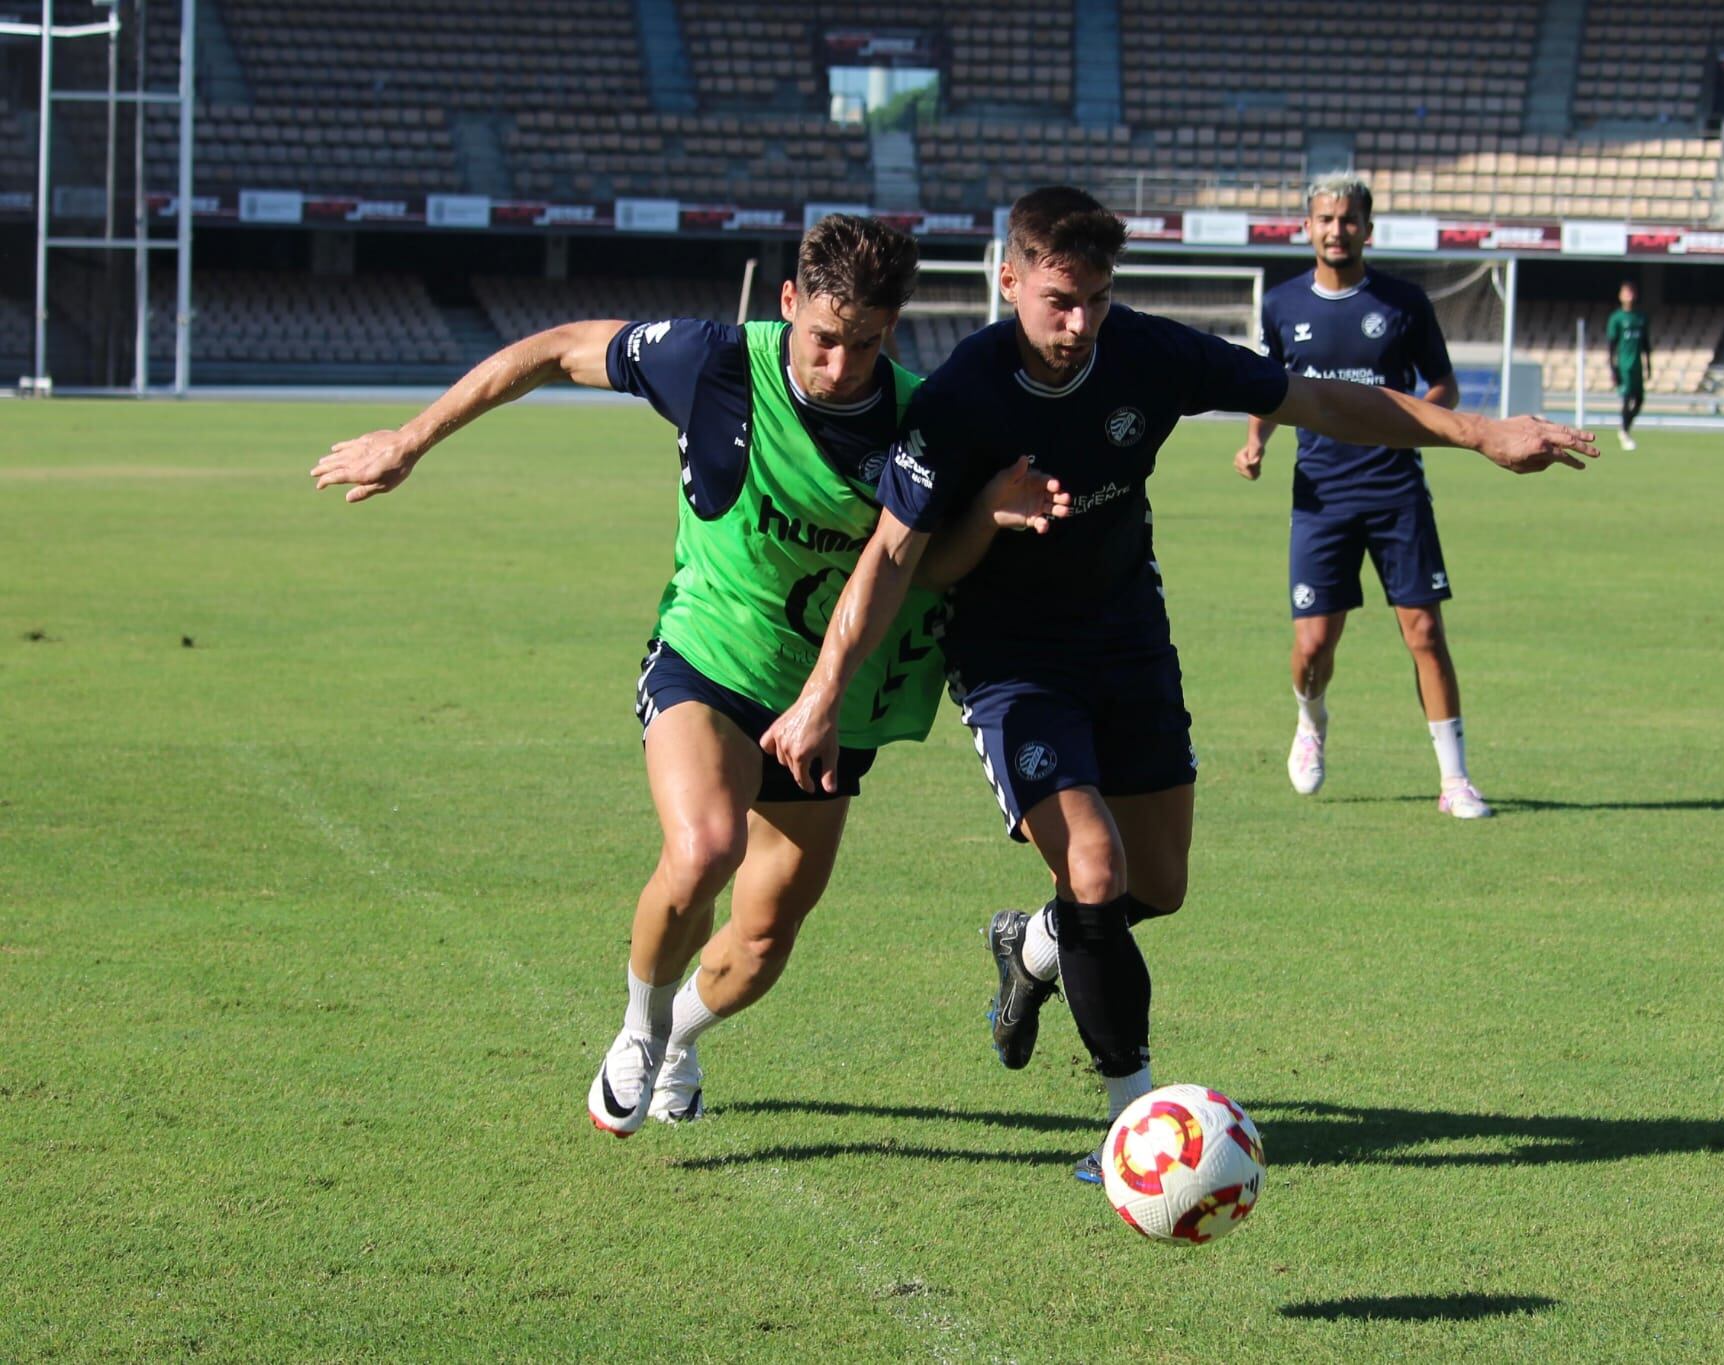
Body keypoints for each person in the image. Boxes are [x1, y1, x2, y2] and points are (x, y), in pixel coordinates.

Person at [759, 187, 1598, 1182]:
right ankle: (1132, 1126)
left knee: (1154, 887)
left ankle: (1029, 947)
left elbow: (1318, 400)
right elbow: (905, 561)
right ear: (1009, 280)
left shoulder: (1150, 354)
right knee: (1097, 872)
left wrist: (1476, 433)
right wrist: (828, 685)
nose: (1079, 324)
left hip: (1128, 643)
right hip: (1010, 663)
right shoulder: (960, 399)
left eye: (1097, 299)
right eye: (1058, 300)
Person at [309, 216, 1066, 1139]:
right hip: (707, 658)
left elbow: (927, 569)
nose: (841, 366)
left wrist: (989, 514)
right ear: (789, 304)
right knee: (705, 846)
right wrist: (413, 437)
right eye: (825, 339)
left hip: (832, 701)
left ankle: (677, 1039)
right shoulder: (712, 363)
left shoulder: (923, 417)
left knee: (760, 943)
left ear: (893, 329)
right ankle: (637, 1029)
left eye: (866, 343)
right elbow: (557, 349)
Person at [1235, 172, 1486, 814]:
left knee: (1425, 631)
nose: (1337, 230)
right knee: (1314, 647)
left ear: (1366, 229)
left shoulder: (1404, 304)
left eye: (1348, 220)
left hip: (1396, 488)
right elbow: (1272, 385)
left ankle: (1454, 779)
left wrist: (1412, 423)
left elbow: (1444, 387)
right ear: (1308, 227)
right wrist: (1256, 441)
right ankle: (1311, 721)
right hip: (1321, 494)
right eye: (1325, 219)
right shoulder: (1284, 305)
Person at [1607, 281, 1652, 452]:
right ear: (1620, 296)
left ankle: (1625, 428)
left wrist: (1649, 366)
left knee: (1639, 400)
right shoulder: (1616, 318)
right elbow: (1611, 346)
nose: (1629, 296)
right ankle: (1624, 432)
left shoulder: (1641, 318)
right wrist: (1613, 368)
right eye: (1626, 292)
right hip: (1624, 365)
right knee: (1627, 398)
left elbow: (1646, 344)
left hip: (1637, 364)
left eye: (1632, 292)